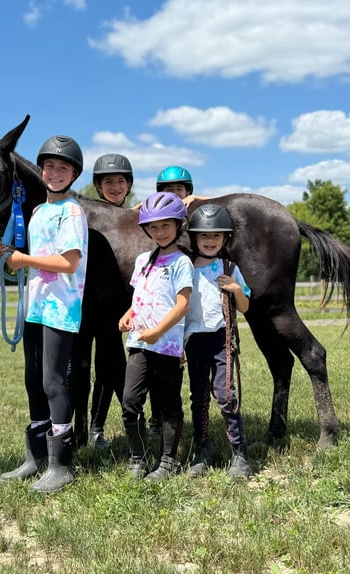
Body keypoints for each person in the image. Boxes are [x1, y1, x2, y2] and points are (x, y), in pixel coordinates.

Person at [0, 135, 88, 493]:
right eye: (50, 166)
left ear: (74, 174)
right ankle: (37, 456)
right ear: (41, 170)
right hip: (36, 306)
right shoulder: (37, 212)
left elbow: (68, 261)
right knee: (33, 380)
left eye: (64, 167)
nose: (55, 172)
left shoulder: (72, 211)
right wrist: (9, 255)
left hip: (61, 309)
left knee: (52, 382)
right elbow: (39, 258)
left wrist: (24, 259)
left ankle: (62, 465)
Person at [119, 191, 193, 481]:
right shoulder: (142, 261)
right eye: (153, 226)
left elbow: (183, 303)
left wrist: (159, 331)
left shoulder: (181, 263)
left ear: (178, 226)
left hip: (167, 345)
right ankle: (138, 458)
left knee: (167, 403)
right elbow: (140, 296)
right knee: (130, 402)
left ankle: (167, 462)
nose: (159, 232)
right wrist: (128, 314)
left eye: (165, 225)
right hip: (139, 342)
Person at [184, 204, 253, 479]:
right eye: (204, 236)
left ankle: (240, 453)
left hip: (222, 339)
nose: (210, 241)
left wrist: (236, 290)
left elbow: (245, 308)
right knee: (198, 398)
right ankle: (202, 451)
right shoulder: (185, 267)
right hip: (194, 341)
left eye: (216, 236)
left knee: (226, 395)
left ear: (225, 239)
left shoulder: (229, 267)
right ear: (195, 239)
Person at [69, 154, 132, 448]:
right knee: (79, 369)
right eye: (109, 181)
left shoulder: (137, 218)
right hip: (86, 307)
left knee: (110, 369)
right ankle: (80, 428)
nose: (116, 187)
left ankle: (97, 427)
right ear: (98, 186)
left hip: (116, 310)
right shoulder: (84, 216)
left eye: (121, 181)